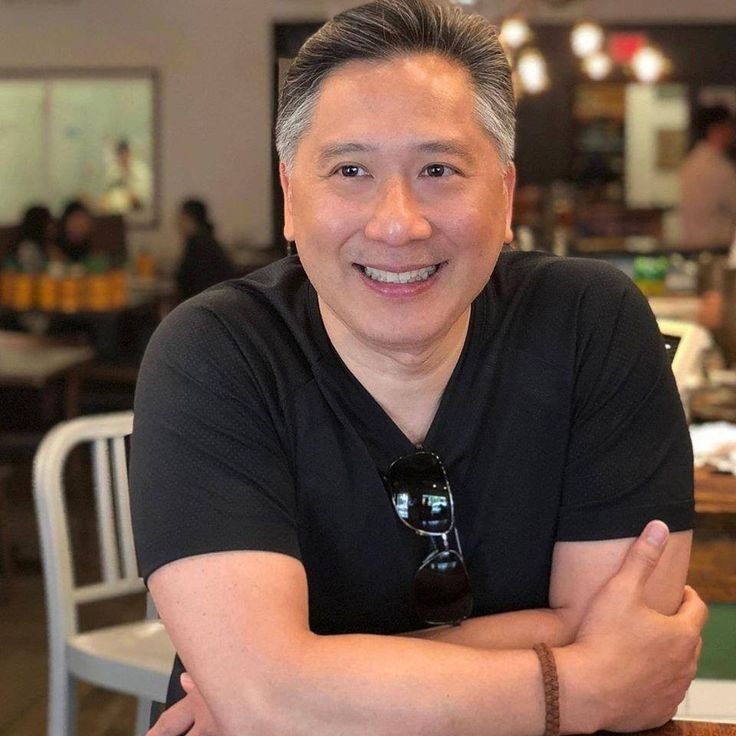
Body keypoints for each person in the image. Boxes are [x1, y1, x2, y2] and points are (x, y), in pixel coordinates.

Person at [130, 1, 706, 734]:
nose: (398, 223)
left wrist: (300, 688)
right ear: (291, 197)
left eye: (438, 168)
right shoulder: (216, 354)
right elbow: (264, 697)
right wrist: (584, 683)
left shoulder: (590, 323)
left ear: (504, 194)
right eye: (350, 170)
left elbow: (268, 699)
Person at [679, 104, 736, 248]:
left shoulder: (691, 162)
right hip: (717, 247)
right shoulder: (720, 167)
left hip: (691, 245)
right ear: (717, 129)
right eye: (729, 126)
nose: (732, 132)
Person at [175, 198, 238, 301]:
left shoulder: (197, 244)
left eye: (180, 219)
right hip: (218, 300)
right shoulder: (208, 240)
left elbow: (185, 281)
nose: (178, 224)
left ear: (189, 219)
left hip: (204, 302)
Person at [101, 138, 153, 215]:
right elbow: (107, 192)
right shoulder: (113, 171)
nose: (123, 157)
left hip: (137, 211)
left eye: (125, 153)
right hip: (114, 213)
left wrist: (130, 196)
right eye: (120, 154)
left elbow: (145, 196)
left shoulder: (141, 171)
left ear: (130, 153)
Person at [8, 205, 57, 272]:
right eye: (49, 222)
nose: (53, 227)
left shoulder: (50, 244)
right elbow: (30, 273)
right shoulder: (28, 248)